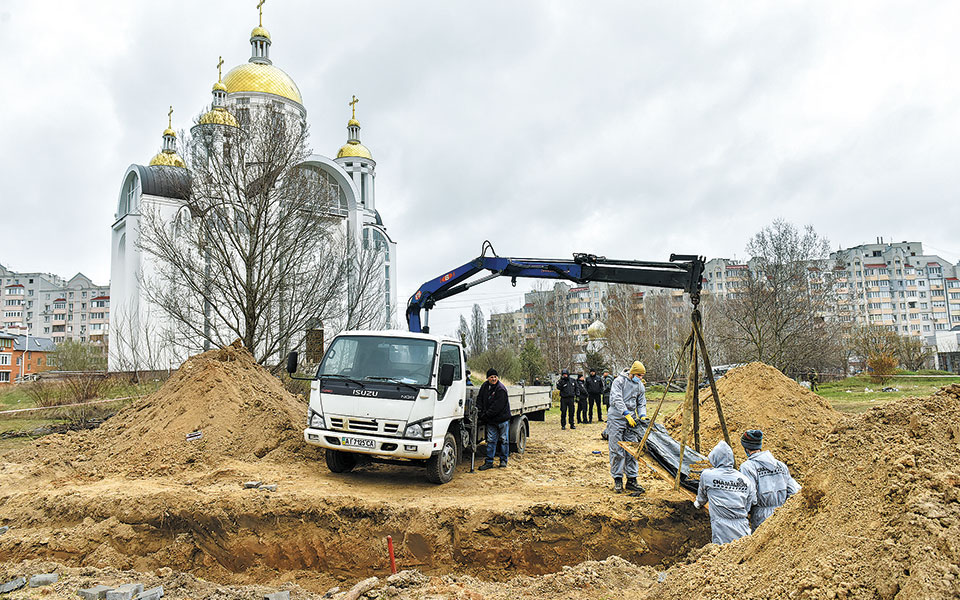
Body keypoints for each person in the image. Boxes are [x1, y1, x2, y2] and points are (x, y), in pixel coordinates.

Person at [694, 440, 757, 545]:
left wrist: (697, 504)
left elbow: (702, 497)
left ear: (715, 458)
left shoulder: (707, 475)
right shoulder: (745, 480)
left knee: (721, 551)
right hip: (742, 526)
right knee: (741, 550)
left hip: (721, 527)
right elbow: (751, 502)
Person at [738, 429, 800, 530]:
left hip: (761, 517)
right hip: (782, 515)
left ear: (746, 448)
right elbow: (794, 491)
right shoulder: (780, 465)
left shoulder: (747, 467)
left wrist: (744, 513)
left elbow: (750, 496)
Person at [607, 361, 647, 493]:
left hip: (632, 421)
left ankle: (632, 479)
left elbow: (641, 402)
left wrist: (642, 415)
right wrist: (625, 413)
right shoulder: (619, 382)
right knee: (617, 449)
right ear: (633, 373)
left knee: (632, 450)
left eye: (642, 376)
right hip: (616, 418)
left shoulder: (640, 385)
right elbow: (617, 399)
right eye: (639, 375)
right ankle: (618, 479)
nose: (640, 378)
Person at [476, 368, 511, 470]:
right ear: (488, 378)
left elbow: (497, 407)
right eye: (491, 377)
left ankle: (503, 461)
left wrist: (485, 415)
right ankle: (489, 462)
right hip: (491, 421)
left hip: (502, 420)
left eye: (495, 377)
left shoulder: (501, 389)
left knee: (504, 440)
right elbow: (480, 399)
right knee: (491, 441)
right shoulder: (485, 386)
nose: (494, 379)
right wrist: (480, 410)